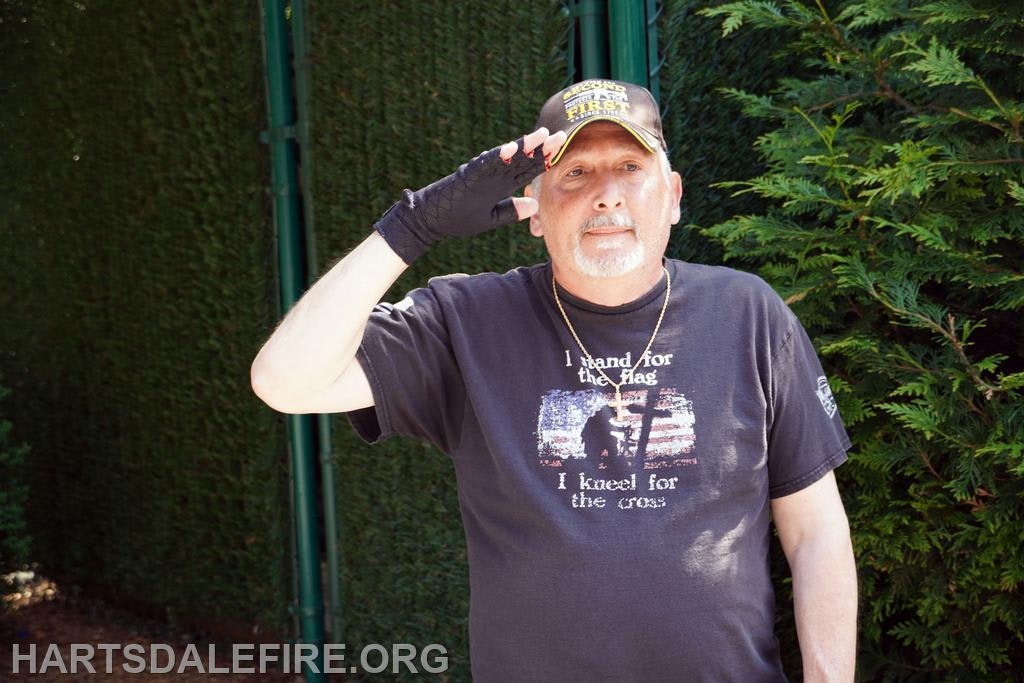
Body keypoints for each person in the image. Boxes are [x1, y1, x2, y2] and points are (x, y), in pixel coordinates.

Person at [251, 79, 857, 682]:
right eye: (575, 173)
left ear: (672, 196)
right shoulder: (465, 322)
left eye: (629, 165)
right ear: (534, 209)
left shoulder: (748, 314)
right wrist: (411, 228)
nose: (606, 196)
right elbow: (286, 382)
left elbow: (815, 532)